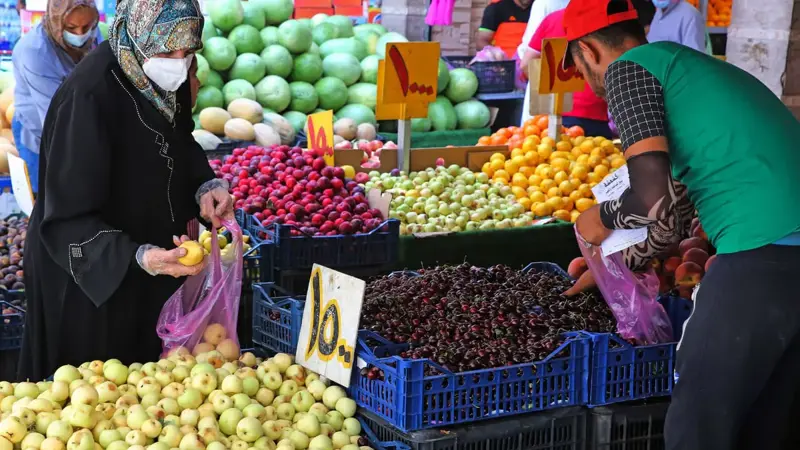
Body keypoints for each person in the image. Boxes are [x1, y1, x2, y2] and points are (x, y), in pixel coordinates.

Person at [562, 0, 800, 447]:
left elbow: (649, 199)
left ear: (588, 51)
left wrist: (599, 219)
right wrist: (612, 267)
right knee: (767, 422)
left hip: (760, 250)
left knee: (698, 423)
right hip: (784, 254)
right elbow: (669, 220)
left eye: (576, 64)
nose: (584, 77)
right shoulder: (687, 70)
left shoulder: (628, 72)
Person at [18, 0, 234, 381]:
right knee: (93, 392)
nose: (178, 62)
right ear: (136, 32)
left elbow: (179, 142)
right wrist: (138, 257)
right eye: (167, 51)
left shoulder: (173, 77)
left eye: (188, 52)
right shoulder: (87, 96)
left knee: (148, 392)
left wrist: (205, 184)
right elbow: (66, 217)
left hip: (152, 261)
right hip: (87, 273)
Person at [12, 0, 103, 194]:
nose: (80, 34)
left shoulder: (93, 34)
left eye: (85, 27)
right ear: (56, 20)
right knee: (47, 200)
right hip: (41, 132)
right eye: (71, 28)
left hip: (80, 124)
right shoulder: (34, 51)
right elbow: (56, 117)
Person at [519, 8, 611, 137]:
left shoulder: (554, 18)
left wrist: (547, 91)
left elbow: (526, 64)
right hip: (594, 113)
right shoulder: (607, 19)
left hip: (552, 115)